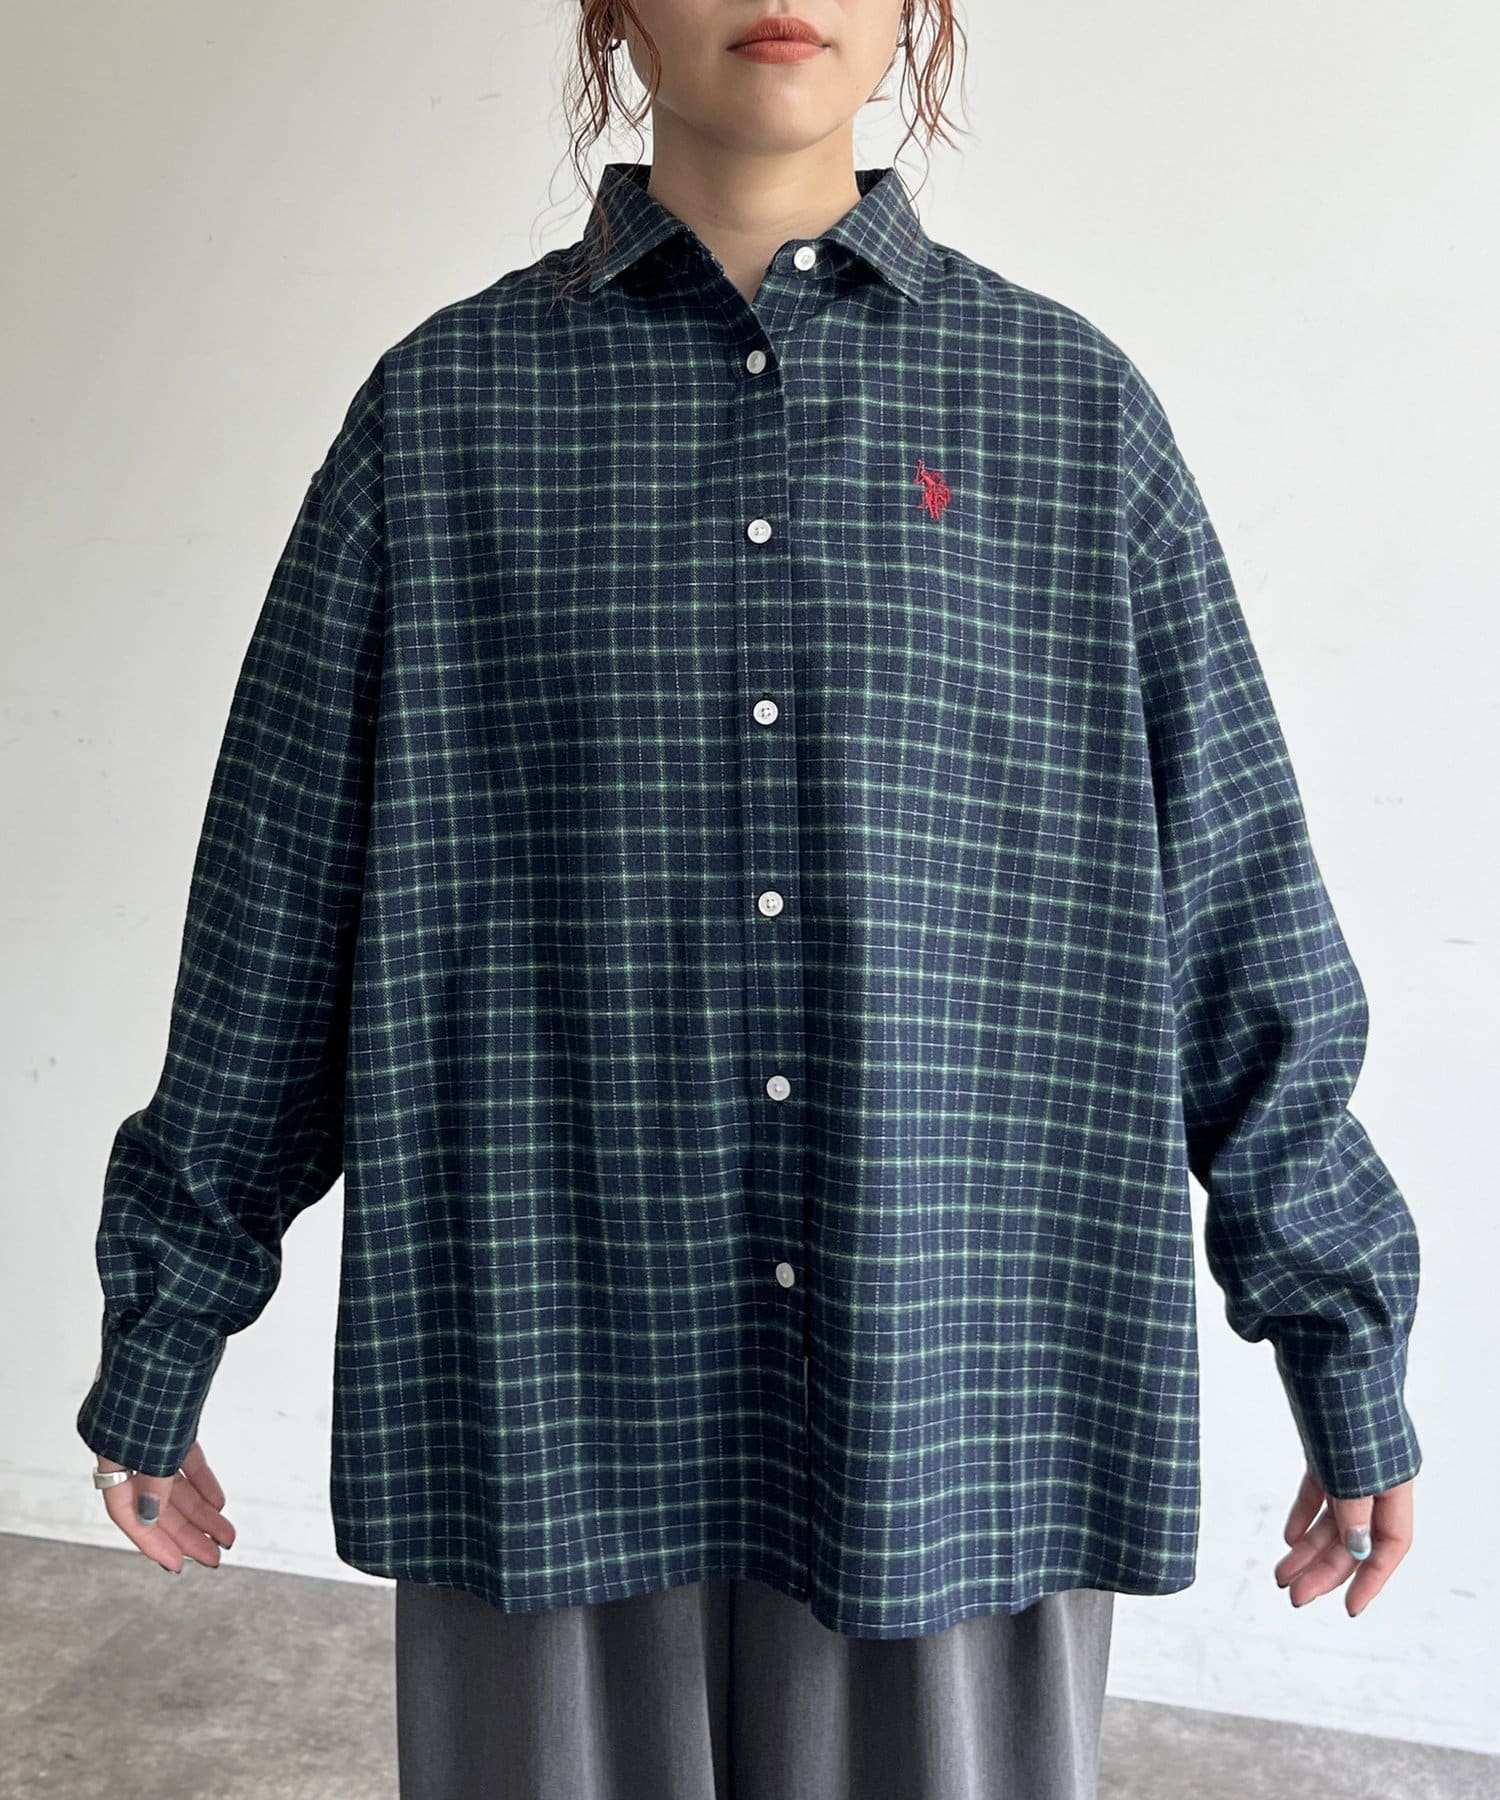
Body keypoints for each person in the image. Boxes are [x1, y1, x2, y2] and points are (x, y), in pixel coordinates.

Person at [78, 2, 1421, 1796]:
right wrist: (168, 1325)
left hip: (952, 1389)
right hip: (549, 1375)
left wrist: (1342, 1341)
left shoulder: (1067, 411)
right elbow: (276, 911)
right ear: (612, 7)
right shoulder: (447, 412)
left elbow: (1241, 918)